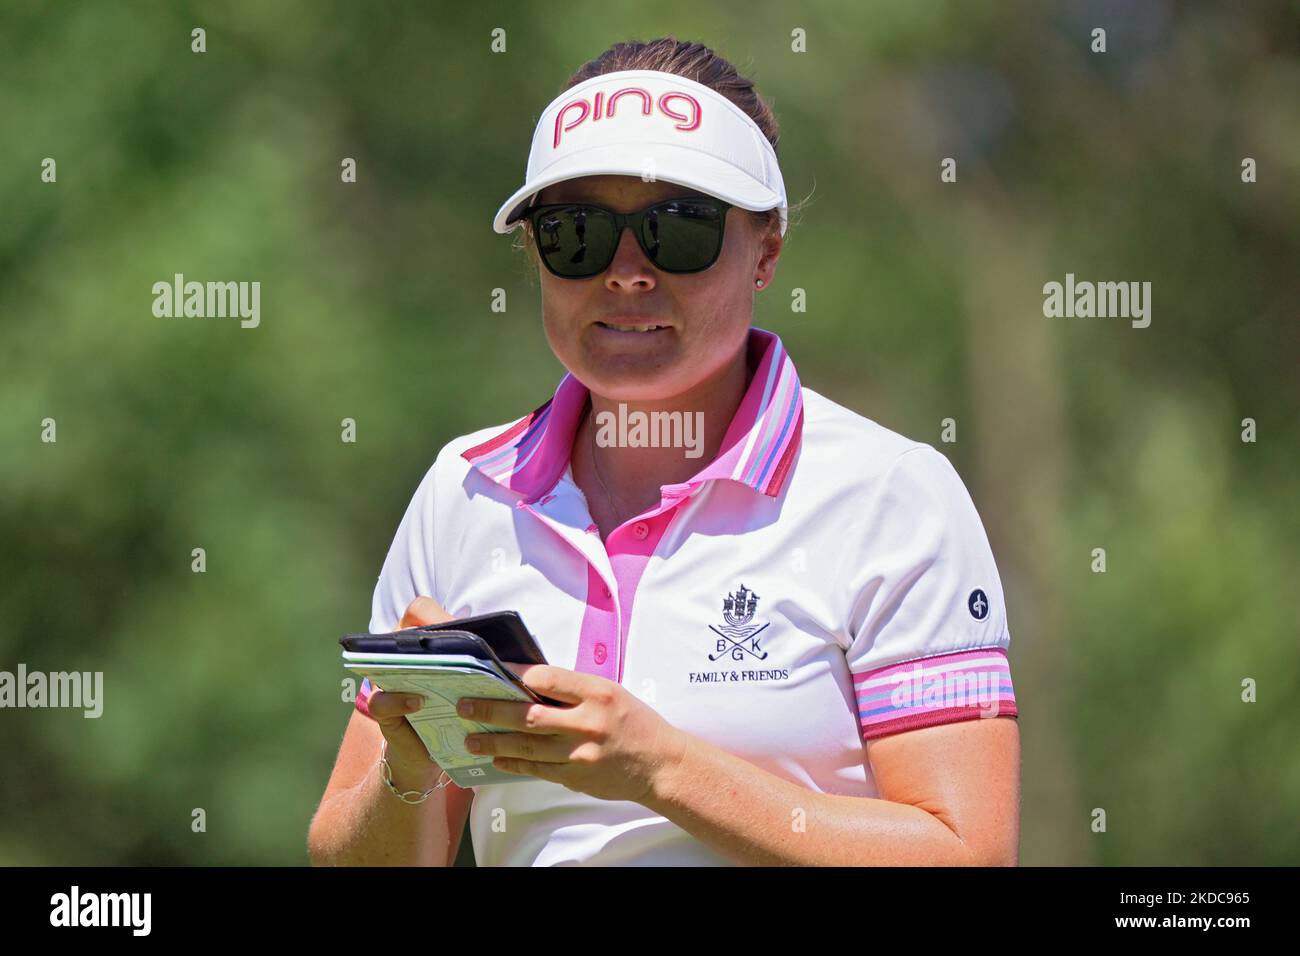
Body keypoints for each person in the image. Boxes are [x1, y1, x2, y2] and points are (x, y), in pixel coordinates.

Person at [308, 37, 1020, 867]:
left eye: (678, 229)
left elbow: (968, 854)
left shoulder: (891, 495)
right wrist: (411, 764)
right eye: (578, 233)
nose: (627, 273)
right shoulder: (462, 493)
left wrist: (659, 767)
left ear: (767, 250)